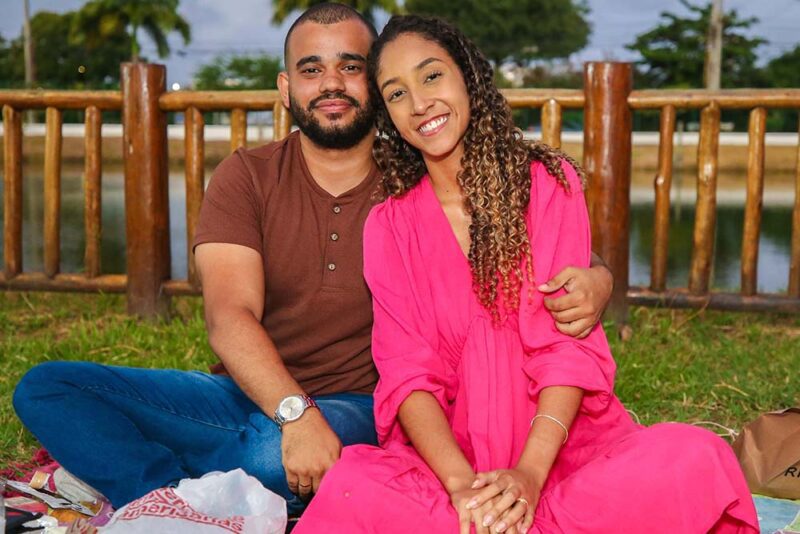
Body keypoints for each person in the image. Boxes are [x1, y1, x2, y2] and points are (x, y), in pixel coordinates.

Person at [11, 4, 612, 516]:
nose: (332, 83)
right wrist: (294, 415)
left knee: (265, 458)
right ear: (285, 88)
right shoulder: (247, 176)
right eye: (311, 69)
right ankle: (180, 499)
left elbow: (535, 254)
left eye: (351, 67)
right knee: (48, 389)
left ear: (375, 86)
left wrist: (601, 280)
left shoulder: (410, 185)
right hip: (248, 394)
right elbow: (228, 316)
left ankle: (183, 489)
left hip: (357, 405)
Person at [294, 14, 758, 534]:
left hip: (562, 455)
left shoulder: (547, 184)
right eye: (397, 93)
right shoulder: (389, 226)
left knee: (695, 456)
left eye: (431, 76)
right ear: (388, 115)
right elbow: (408, 376)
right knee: (354, 484)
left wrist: (529, 477)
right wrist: (463, 488)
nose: (419, 103)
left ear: (468, 76)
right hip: (450, 465)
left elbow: (566, 351)